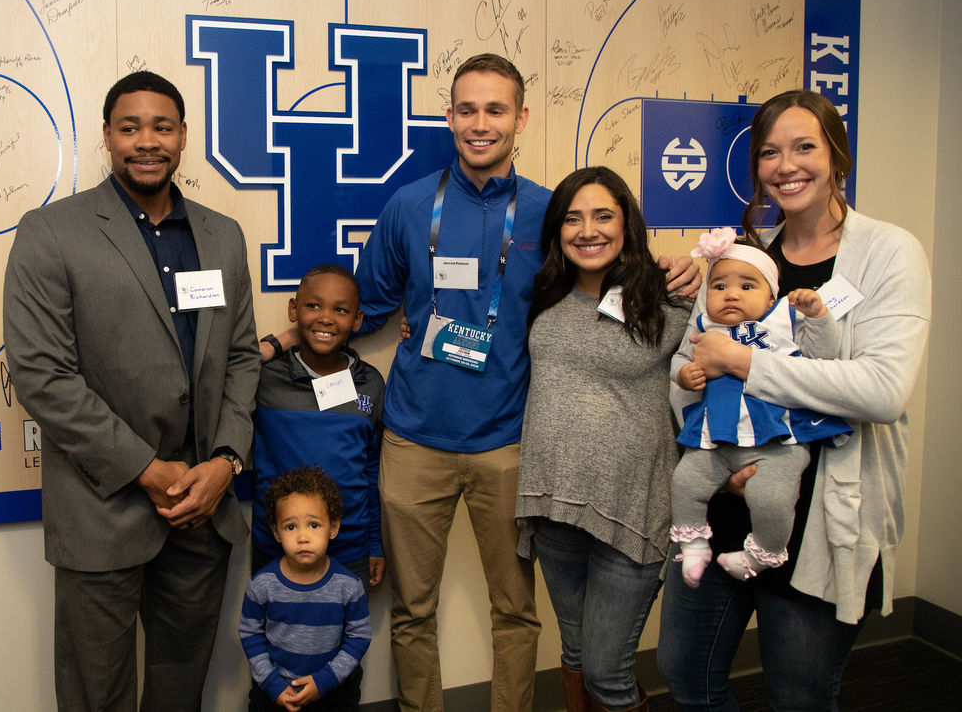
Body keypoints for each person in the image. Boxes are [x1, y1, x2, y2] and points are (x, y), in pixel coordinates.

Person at [257, 54, 700, 712]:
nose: (480, 123)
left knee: (515, 610)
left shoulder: (552, 212)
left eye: (496, 109)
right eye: (467, 109)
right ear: (451, 117)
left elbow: (605, 275)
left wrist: (677, 270)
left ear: (521, 118)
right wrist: (283, 339)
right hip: (413, 439)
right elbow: (360, 307)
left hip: (511, 442)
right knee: (412, 608)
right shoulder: (410, 206)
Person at [656, 90, 932, 711]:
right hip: (724, 499)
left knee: (797, 694)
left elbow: (882, 390)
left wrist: (745, 364)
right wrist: (721, 448)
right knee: (685, 673)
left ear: (837, 156)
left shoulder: (889, 253)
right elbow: (686, 362)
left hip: (820, 517)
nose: (786, 166)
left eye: (804, 147)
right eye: (770, 152)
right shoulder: (750, 258)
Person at [2, 70, 260, 712]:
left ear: (182, 137)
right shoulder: (51, 231)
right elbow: (41, 374)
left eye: (162, 127)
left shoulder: (223, 235)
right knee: (97, 693)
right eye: (130, 127)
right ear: (108, 137)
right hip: (102, 505)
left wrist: (225, 462)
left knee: (180, 686)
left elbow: (240, 358)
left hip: (201, 506)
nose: (147, 141)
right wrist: (146, 469)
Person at [517, 166, 692, 712]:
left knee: (606, 671)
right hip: (552, 501)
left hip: (631, 505)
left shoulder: (671, 298)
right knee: (574, 652)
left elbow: (736, 341)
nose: (587, 230)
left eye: (602, 216)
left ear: (626, 224)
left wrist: (703, 269)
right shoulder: (544, 294)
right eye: (572, 218)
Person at [669, 228, 852, 588]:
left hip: (776, 442)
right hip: (717, 440)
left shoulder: (785, 321)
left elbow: (823, 355)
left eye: (747, 286)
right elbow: (680, 359)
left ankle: (761, 555)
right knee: (684, 482)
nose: (731, 294)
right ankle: (693, 545)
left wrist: (818, 316)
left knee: (770, 499)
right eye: (719, 286)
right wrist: (684, 375)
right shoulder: (705, 327)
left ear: (771, 297)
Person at [251, 264, 386, 599]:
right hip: (277, 547)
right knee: (274, 630)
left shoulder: (370, 383)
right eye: (313, 306)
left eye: (340, 310)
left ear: (357, 320)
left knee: (348, 631)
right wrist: (279, 342)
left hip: (350, 549)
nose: (326, 318)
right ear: (293, 310)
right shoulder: (265, 379)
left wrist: (374, 543)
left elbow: (372, 470)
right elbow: (224, 367)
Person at [240, 465, 372, 712]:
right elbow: (250, 633)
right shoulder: (262, 584)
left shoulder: (348, 586)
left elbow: (360, 635)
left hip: (331, 692)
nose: (303, 537)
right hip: (274, 692)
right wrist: (272, 684)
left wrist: (326, 680)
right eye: (291, 527)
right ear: (276, 532)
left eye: (314, 525)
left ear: (333, 527)